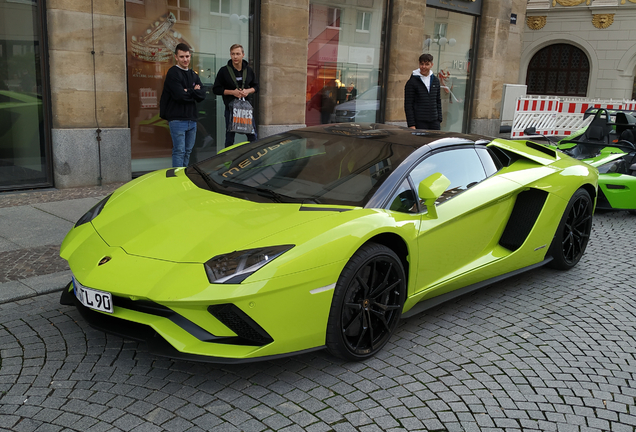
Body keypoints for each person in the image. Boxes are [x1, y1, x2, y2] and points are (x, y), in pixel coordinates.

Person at [159, 43, 206, 167]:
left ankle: (182, 176)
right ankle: (177, 180)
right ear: (176, 57)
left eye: (187, 56)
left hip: (192, 119)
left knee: (188, 151)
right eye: (182, 57)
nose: (185, 59)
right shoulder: (173, 73)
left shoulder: (193, 74)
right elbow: (179, 96)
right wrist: (193, 91)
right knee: (179, 151)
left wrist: (188, 91)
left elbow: (202, 95)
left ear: (190, 56)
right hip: (177, 119)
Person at [213, 44, 259, 147]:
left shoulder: (249, 71)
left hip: (246, 109)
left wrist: (247, 91)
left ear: (243, 55)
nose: (235, 57)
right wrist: (232, 92)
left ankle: (255, 160)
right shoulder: (224, 71)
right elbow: (216, 89)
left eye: (238, 54)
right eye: (233, 54)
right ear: (230, 55)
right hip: (231, 108)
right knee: (230, 137)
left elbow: (256, 87)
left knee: (252, 136)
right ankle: (229, 161)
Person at [404, 53, 442, 130]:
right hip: (419, 122)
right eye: (422, 64)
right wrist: (411, 124)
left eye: (427, 64)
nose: (423, 67)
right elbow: (408, 104)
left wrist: (439, 119)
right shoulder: (412, 82)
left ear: (431, 65)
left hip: (434, 122)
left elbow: (438, 101)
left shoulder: (435, 81)